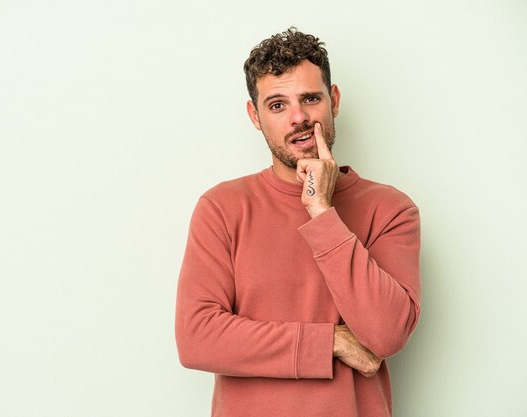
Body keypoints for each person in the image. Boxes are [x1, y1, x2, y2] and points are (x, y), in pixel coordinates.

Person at [175, 27, 421, 417]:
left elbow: (387, 333)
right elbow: (197, 338)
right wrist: (329, 343)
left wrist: (322, 211)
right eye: (277, 105)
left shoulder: (389, 209)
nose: (299, 118)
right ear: (255, 116)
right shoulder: (221, 207)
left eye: (310, 98)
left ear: (333, 100)